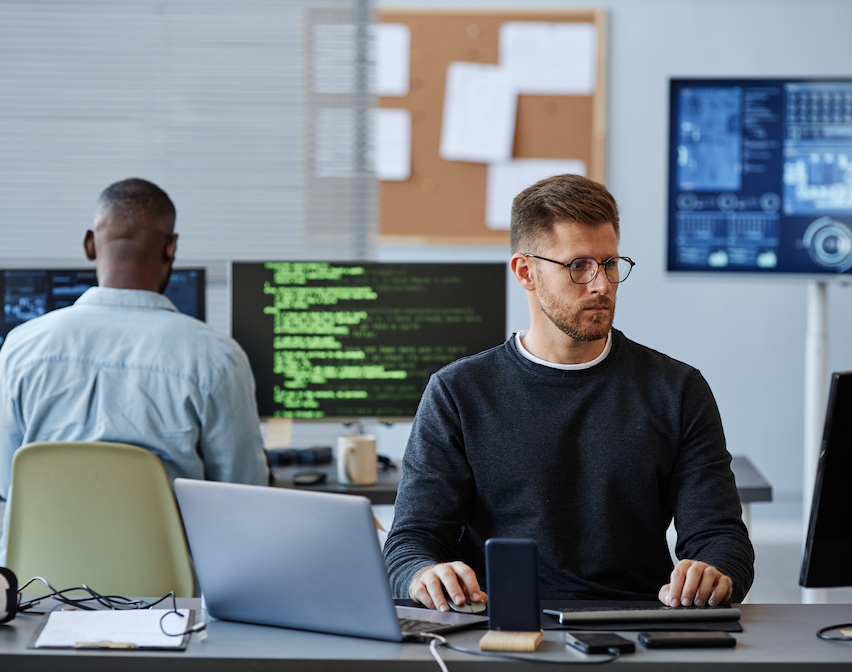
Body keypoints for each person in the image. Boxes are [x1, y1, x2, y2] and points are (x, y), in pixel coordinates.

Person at [383, 174, 754, 611]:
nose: (601, 285)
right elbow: (410, 543)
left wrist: (714, 571)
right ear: (526, 272)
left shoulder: (677, 389)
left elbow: (721, 537)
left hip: (637, 623)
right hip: (499, 623)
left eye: (610, 264)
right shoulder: (458, 392)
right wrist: (424, 575)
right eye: (578, 266)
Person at [0, 178, 269, 563]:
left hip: (40, 595)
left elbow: (10, 485)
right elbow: (245, 498)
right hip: (169, 602)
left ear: (90, 244)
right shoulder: (216, 358)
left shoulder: (20, 347)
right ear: (171, 247)